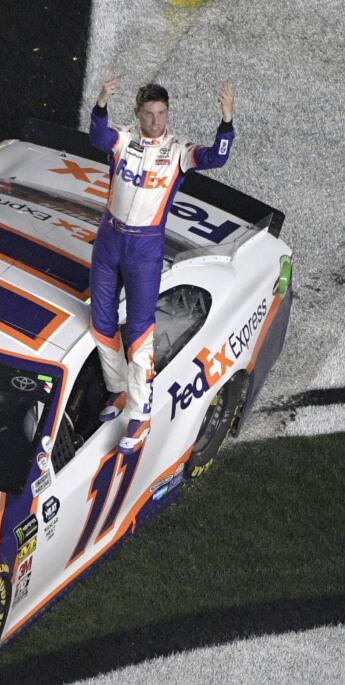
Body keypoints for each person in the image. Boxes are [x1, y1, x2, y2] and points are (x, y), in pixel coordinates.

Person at [88, 73, 235, 454]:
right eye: (149, 114)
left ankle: (141, 414)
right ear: (137, 113)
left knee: (139, 333)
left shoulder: (179, 150)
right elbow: (98, 138)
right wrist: (101, 104)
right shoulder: (122, 139)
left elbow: (217, 157)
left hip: (144, 248)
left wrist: (227, 122)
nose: (156, 121)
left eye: (162, 113)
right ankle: (119, 389)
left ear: (167, 113)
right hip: (109, 239)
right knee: (101, 323)